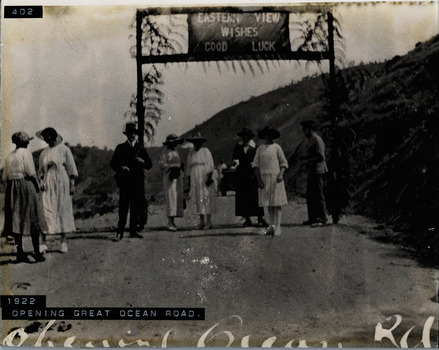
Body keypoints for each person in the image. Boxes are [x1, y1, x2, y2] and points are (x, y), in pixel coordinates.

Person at [2, 132, 46, 263]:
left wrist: (11, 188)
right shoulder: (26, 153)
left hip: (12, 187)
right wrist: (37, 185)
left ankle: (19, 252)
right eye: (27, 141)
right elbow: (31, 172)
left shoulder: (9, 156)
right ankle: (37, 252)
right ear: (24, 142)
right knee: (33, 216)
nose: (28, 143)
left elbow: (5, 177)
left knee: (16, 219)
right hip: (25, 185)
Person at [36, 127, 78, 253]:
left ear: (54, 137)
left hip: (61, 182)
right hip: (48, 182)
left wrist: (72, 184)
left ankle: (63, 242)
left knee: (62, 208)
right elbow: (40, 171)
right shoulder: (44, 153)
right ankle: (43, 242)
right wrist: (41, 181)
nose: (47, 141)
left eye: (49, 138)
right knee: (45, 209)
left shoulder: (64, 150)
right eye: (45, 138)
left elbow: (71, 169)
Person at [110, 123, 152, 241]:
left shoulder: (140, 148)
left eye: (133, 133)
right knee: (123, 207)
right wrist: (121, 167)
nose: (132, 135)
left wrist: (142, 161)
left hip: (137, 183)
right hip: (125, 182)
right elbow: (113, 163)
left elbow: (150, 165)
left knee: (135, 207)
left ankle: (133, 231)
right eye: (129, 133)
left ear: (136, 135)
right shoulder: (120, 148)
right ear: (126, 135)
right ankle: (120, 232)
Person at [252, 126, 288, 236]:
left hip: (275, 178)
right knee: (269, 204)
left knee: (276, 203)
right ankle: (271, 226)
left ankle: (278, 227)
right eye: (266, 135)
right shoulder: (260, 149)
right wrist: (259, 179)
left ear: (273, 136)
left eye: (270, 135)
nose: (268, 137)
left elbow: (283, 163)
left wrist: (281, 174)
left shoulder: (277, 147)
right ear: (264, 136)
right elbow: (256, 165)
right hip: (264, 178)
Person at [232, 127, 266, 227]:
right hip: (242, 173)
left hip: (252, 173)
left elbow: (259, 159)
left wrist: (255, 166)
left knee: (256, 196)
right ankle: (247, 219)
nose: (245, 137)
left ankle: (260, 217)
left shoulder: (255, 147)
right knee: (244, 196)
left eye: (247, 136)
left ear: (250, 137)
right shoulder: (238, 147)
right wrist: (236, 162)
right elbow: (234, 158)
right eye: (243, 136)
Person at [300, 120, 328, 227]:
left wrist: (307, 161)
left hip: (318, 170)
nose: (303, 132)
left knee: (318, 195)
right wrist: (305, 158)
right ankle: (312, 218)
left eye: (305, 129)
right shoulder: (310, 140)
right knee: (310, 196)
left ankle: (322, 218)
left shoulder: (317, 140)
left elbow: (321, 156)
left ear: (310, 129)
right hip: (312, 171)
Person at [186, 132, 216, 229]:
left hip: (204, 175)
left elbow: (211, 165)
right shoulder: (191, 153)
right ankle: (202, 221)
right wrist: (189, 181)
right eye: (194, 142)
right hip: (194, 176)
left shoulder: (205, 151)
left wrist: (209, 177)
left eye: (198, 141)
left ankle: (209, 222)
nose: (196, 144)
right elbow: (188, 168)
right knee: (198, 197)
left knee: (206, 197)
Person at [159, 134, 185, 231]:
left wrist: (179, 168)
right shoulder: (165, 153)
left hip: (176, 176)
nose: (174, 145)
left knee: (175, 197)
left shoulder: (176, 152)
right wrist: (171, 166)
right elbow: (162, 165)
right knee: (170, 197)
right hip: (169, 176)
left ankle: (173, 221)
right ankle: (169, 222)